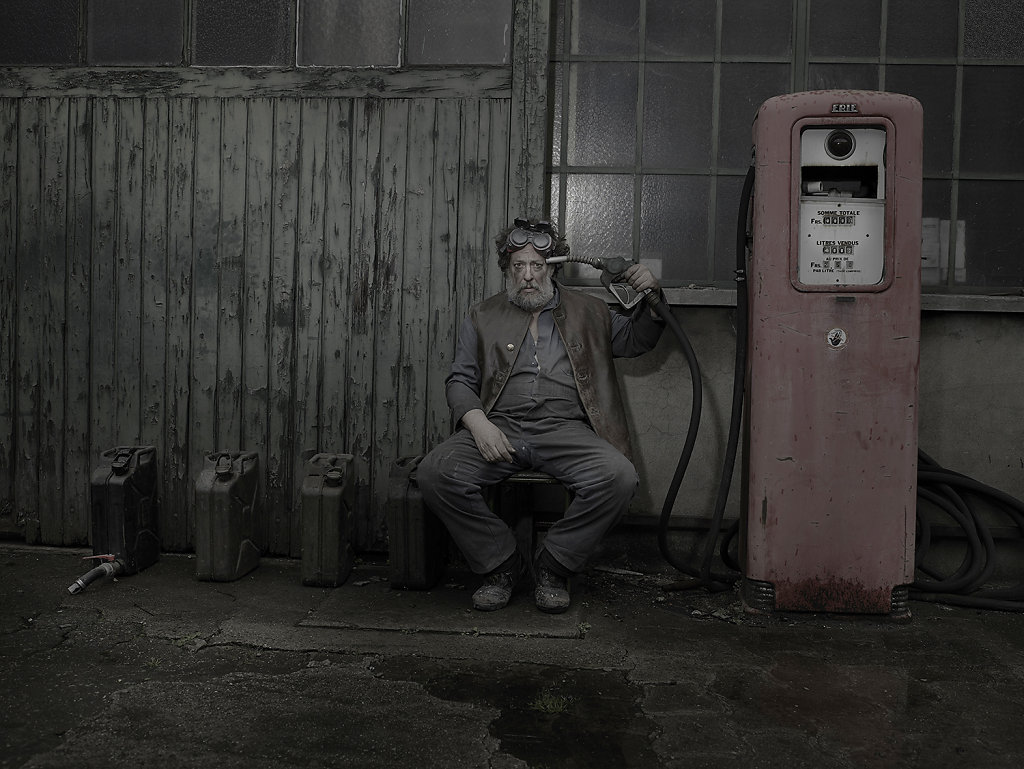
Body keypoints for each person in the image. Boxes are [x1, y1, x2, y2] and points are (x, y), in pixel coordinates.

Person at [417, 217, 664, 613]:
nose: (528, 276)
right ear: (507, 269)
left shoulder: (592, 311)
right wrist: (478, 423)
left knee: (619, 478)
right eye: (518, 266)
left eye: (537, 266)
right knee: (435, 473)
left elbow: (638, 340)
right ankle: (501, 565)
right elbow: (459, 380)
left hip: (566, 430)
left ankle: (553, 565)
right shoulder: (481, 315)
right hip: (500, 427)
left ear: (552, 267)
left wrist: (652, 296)